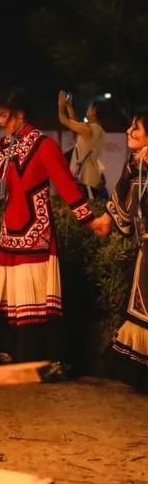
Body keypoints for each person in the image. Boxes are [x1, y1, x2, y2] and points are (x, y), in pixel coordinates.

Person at [0, 87, 102, 370]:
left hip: (36, 233)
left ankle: (38, 357)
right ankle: (7, 349)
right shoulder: (2, 148)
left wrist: (89, 219)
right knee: (8, 291)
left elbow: (66, 185)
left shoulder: (44, 146)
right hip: (9, 231)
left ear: (20, 115)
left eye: (4, 116)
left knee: (32, 294)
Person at [91, 109, 148, 393]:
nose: (128, 133)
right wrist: (106, 220)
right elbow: (123, 199)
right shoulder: (135, 163)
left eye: (136, 129)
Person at [57, 91, 106, 199]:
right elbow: (76, 123)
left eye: (89, 108)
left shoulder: (88, 129)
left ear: (94, 111)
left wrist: (61, 105)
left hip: (85, 180)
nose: (87, 110)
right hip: (91, 177)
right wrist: (69, 107)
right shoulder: (97, 128)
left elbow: (64, 120)